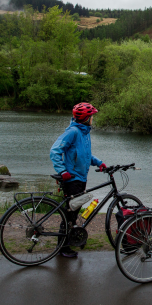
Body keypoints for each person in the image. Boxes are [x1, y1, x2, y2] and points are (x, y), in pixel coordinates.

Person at [50, 102, 106, 258]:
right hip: (72, 178)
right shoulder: (73, 132)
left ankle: (69, 242)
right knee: (69, 214)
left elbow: (85, 154)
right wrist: (62, 170)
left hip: (81, 177)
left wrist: (99, 162)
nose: (93, 119)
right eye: (91, 116)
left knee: (73, 214)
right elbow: (55, 151)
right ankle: (63, 248)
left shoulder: (84, 133)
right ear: (86, 118)